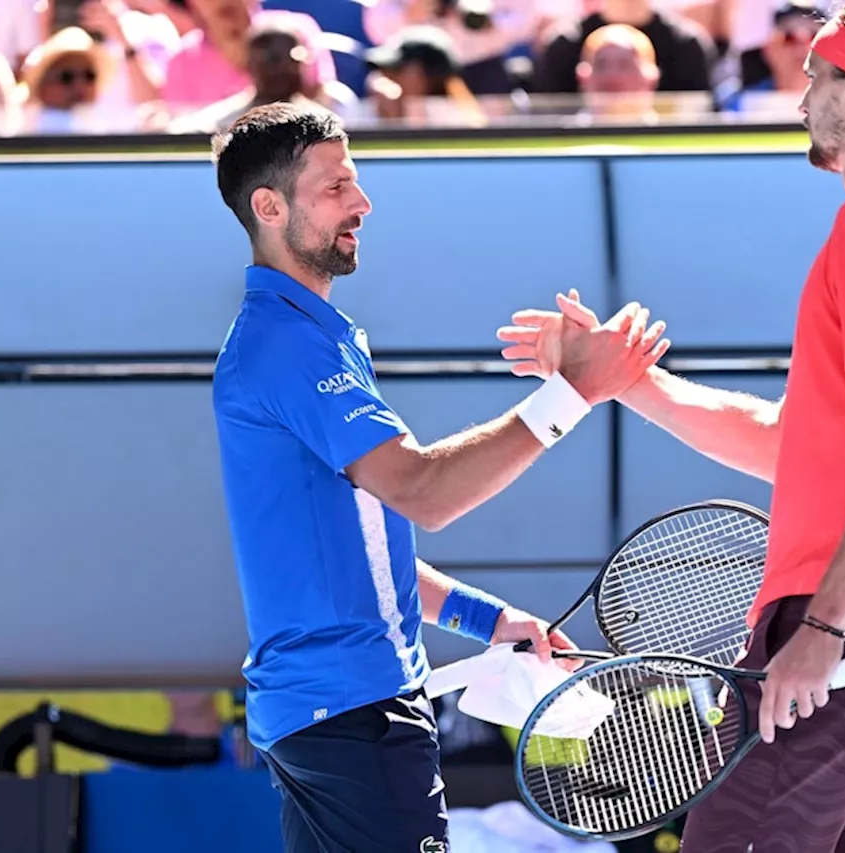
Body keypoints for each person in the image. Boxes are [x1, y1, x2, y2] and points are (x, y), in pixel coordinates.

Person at [498, 1, 845, 849]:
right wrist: (628, 382)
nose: (801, 99)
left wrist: (824, 626)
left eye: (814, 78)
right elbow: (787, 442)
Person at [208, 101, 670, 853]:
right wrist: (572, 393)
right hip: (353, 718)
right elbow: (425, 491)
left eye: (354, 182)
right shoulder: (289, 346)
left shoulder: (300, 336)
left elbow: (355, 547)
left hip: (326, 716)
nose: (362, 203)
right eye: (334, 189)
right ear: (269, 206)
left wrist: (491, 621)